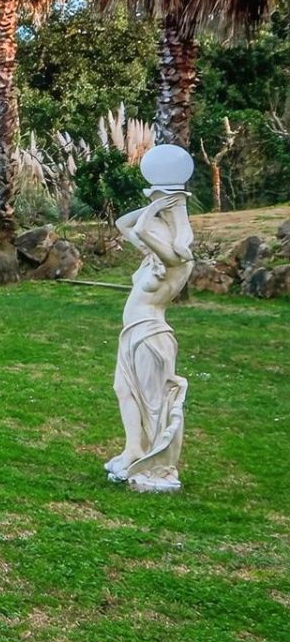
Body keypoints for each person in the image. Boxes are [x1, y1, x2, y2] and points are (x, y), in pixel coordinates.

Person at [107, 187, 193, 492]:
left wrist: (160, 209)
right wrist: (156, 205)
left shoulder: (176, 260)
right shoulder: (154, 260)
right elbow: (123, 224)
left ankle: (158, 464)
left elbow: (141, 228)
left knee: (154, 404)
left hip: (151, 337)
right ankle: (134, 449)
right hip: (133, 332)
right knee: (123, 389)